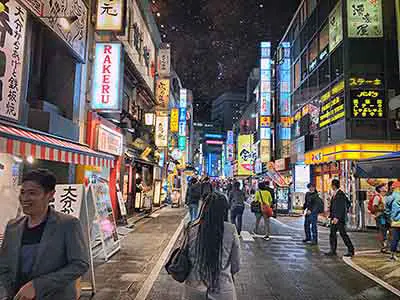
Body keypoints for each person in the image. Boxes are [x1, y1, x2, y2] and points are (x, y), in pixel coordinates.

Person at [0, 169, 89, 300]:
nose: (25, 198)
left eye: (32, 193)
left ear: (50, 195)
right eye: (23, 192)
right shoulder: (12, 227)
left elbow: (80, 264)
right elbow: (4, 266)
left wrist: (37, 286)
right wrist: (6, 293)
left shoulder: (68, 224)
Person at [182, 192, 241, 300]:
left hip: (193, 289)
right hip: (223, 290)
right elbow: (236, 265)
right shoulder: (230, 230)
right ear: (224, 210)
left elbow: (184, 256)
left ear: (204, 208)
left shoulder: (190, 228)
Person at [326, 179, 355, 257]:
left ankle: (351, 250)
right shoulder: (336, 193)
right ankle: (333, 250)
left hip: (338, 219)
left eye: (332, 185)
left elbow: (341, 207)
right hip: (334, 217)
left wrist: (337, 217)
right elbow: (347, 203)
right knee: (332, 234)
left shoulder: (340, 194)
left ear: (334, 185)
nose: (331, 186)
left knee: (343, 234)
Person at [369, 184, 388, 252]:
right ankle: (384, 246)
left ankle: (385, 246)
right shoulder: (377, 197)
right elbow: (374, 207)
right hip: (380, 216)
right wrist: (382, 209)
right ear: (380, 189)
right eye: (383, 187)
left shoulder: (385, 197)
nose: (385, 188)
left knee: (385, 231)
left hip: (385, 216)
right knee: (382, 231)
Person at [385, 181, 400, 260]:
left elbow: (386, 206)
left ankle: (392, 254)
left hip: (396, 221)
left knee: (395, 238)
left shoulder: (392, 196)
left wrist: (389, 215)